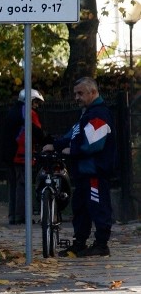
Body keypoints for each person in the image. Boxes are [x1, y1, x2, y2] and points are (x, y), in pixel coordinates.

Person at [43, 77, 116, 257]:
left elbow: (94, 143)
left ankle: (101, 245)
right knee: (81, 208)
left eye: (80, 93)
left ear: (93, 92)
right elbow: (74, 133)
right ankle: (80, 244)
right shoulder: (88, 113)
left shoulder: (99, 114)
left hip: (95, 171)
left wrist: (71, 150)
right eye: (75, 93)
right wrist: (57, 145)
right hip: (85, 171)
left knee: (97, 207)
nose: (76, 97)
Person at [2, 89, 47, 225]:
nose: (37, 106)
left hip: (9, 154)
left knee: (13, 185)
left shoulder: (12, 111)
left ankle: (13, 215)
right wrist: (48, 141)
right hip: (21, 154)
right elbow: (37, 132)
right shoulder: (29, 113)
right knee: (23, 185)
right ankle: (21, 216)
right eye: (35, 102)